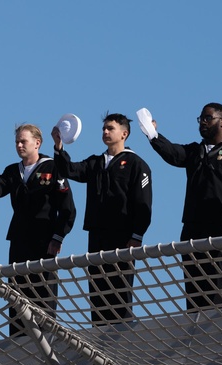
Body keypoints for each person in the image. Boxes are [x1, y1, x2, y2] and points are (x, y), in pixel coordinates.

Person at [0, 124, 76, 335]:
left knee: (43, 299)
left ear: (37, 143)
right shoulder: (13, 171)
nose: (19, 145)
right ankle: (18, 343)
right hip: (19, 241)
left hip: (45, 243)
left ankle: (46, 345)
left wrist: (58, 237)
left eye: (23, 141)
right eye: (17, 142)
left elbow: (67, 209)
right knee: (17, 297)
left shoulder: (52, 168)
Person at [146, 103, 222, 310]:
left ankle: (219, 329)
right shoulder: (195, 151)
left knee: (216, 281)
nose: (203, 123)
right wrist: (153, 135)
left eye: (208, 118)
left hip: (220, 226)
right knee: (193, 284)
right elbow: (173, 153)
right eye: (201, 119)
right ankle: (195, 332)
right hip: (192, 226)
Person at [52, 113, 153, 326]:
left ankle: (123, 348)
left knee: (119, 295)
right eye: (103, 129)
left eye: (110, 128)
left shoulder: (137, 164)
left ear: (124, 134)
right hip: (97, 236)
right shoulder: (95, 162)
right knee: (98, 295)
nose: (105, 132)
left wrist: (137, 235)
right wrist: (59, 147)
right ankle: (100, 347)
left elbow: (144, 203)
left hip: (124, 238)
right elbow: (69, 170)